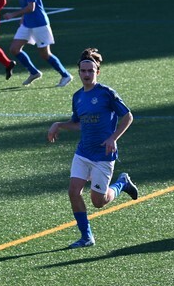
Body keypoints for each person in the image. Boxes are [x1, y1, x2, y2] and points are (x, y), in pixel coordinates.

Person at [47, 48, 138, 248]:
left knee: (99, 201)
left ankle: (122, 183)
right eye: (83, 71)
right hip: (83, 152)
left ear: (97, 72)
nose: (87, 74)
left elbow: (128, 116)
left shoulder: (106, 93)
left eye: (90, 71)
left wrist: (113, 138)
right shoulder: (77, 97)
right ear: (79, 72)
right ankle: (86, 236)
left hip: (103, 155)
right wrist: (58, 125)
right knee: (73, 192)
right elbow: (79, 124)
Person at [3, 0, 72, 88]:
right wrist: (23, 17)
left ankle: (65, 75)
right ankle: (34, 72)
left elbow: (31, 7)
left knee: (45, 54)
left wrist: (13, 14)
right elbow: (26, 5)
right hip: (27, 22)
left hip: (39, 23)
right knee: (14, 49)